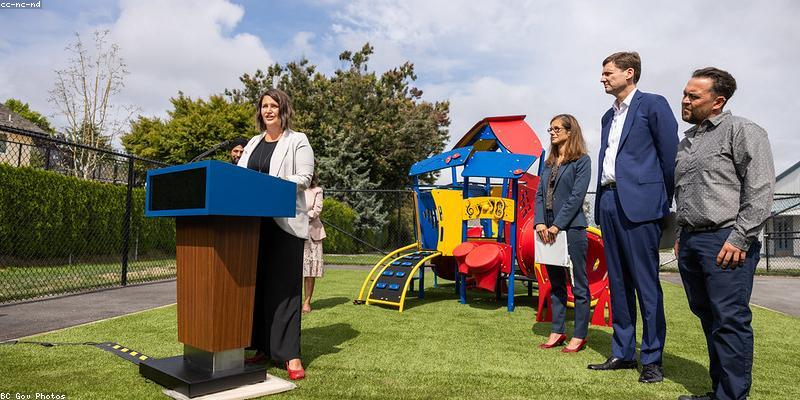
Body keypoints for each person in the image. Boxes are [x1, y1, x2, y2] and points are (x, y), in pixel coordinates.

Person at [674, 68, 774, 400]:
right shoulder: (687, 140)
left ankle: (732, 396)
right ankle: (719, 391)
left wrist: (740, 238)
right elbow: (685, 191)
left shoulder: (742, 130)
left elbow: (759, 191)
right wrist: (681, 233)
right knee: (709, 317)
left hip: (726, 241)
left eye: (694, 96)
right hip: (691, 241)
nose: (685, 100)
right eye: (685, 93)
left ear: (718, 101)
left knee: (729, 320)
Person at [588, 51, 678, 384]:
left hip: (642, 205)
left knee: (646, 284)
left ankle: (651, 358)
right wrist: (600, 204)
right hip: (609, 202)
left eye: (608, 72)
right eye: (602, 73)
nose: (602, 78)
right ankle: (623, 353)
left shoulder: (653, 105)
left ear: (629, 73)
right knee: (619, 285)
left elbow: (670, 158)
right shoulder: (606, 117)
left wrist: (662, 202)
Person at [236, 88, 314, 380]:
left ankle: (290, 355)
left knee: (284, 288)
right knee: (257, 288)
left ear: (284, 110)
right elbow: (241, 177)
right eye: (264, 106)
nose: (268, 110)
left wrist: (270, 185)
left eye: (274, 105)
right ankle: (261, 348)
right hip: (252, 224)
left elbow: (304, 177)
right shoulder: (254, 142)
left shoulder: (297, 140)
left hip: (284, 223)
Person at [533, 114, 591, 353]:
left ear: (570, 131)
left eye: (557, 128)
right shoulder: (548, 164)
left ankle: (579, 335)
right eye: (551, 129)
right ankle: (557, 331)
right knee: (555, 283)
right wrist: (539, 224)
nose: (552, 132)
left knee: (579, 283)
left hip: (571, 229)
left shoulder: (582, 161)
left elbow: (577, 197)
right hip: (546, 230)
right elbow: (538, 196)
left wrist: (557, 225)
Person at [302, 170, 326, 314]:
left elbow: (316, 211)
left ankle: (306, 302)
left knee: (309, 270)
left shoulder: (317, 190)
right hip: (294, 232)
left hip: (312, 234)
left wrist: (299, 216)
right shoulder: (294, 189)